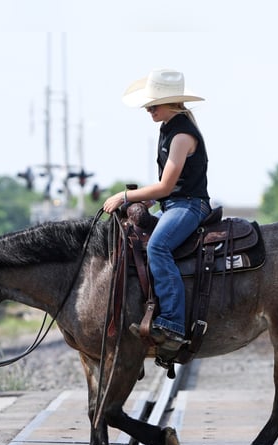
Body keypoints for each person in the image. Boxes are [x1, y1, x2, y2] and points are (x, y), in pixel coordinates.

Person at [103, 69, 211, 351]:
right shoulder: (169, 129)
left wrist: (124, 196)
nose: (148, 109)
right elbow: (169, 189)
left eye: (154, 104)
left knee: (158, 248)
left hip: (190, 206)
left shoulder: (182, 135)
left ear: (172, 103)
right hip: (175, 204)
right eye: (148, 104)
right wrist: (147, 202)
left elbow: (165, 187)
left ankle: (173, 324)